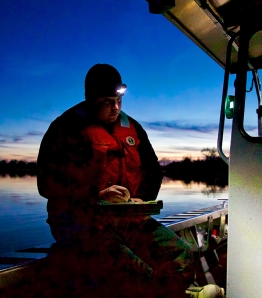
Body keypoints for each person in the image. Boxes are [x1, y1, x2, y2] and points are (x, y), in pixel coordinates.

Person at [37, 63, 194, 298]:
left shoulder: (133, 128)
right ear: (90, 99)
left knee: (182, 255)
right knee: (136, 270)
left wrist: (144, 198)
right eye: (107, 102)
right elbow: (47, 183)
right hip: (79, 223)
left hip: (127, 220)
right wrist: (95, 196)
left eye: (119, 100)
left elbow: (153, 172)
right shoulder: (64, 129)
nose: (115, 108)